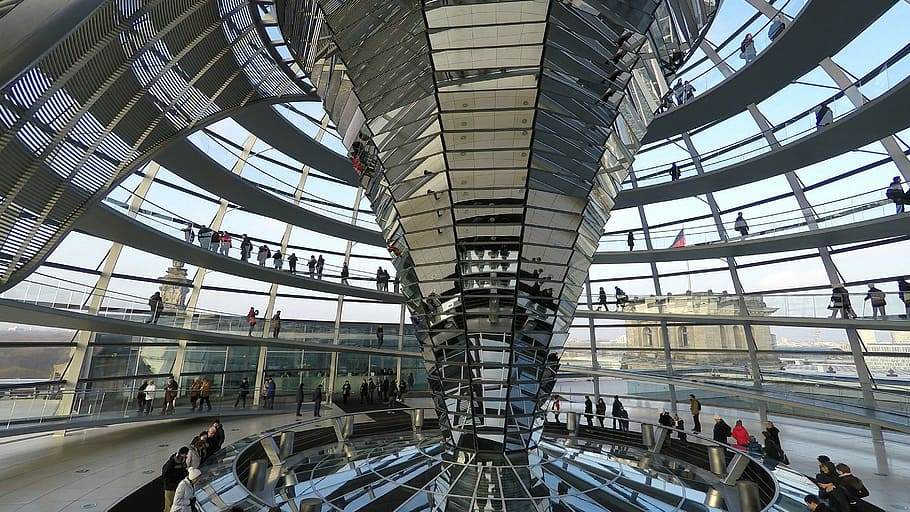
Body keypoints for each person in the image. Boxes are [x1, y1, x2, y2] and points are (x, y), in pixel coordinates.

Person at [162, 447, 189, 512]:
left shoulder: (182, 461)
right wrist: (173, 482)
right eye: (186, 454)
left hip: (177, 486)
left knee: (175, 504)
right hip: (170, 487)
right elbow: (165, 474)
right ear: (182, 454)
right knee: (169, 504)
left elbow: (183, 471)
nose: (187, 456)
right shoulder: (171, 462)